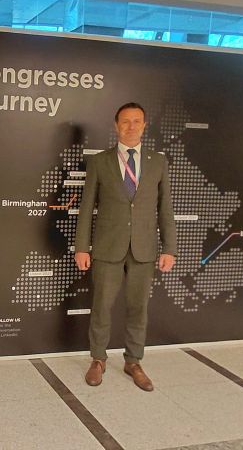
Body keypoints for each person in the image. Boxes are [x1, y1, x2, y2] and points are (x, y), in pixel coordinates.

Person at [74, 102, 176, 391]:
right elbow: (86, 208)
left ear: (145, 125)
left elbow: (165, 208)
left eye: (137, 121)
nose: (131, 126)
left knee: (138, 308)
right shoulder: (100, 161)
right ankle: (98, 359)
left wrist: (169, 248)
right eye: (125, 121)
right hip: (107, 247)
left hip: (144, 248)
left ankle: (133, 361)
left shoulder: (158, 162)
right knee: (101, 307)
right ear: (116, 125)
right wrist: (82, 247)